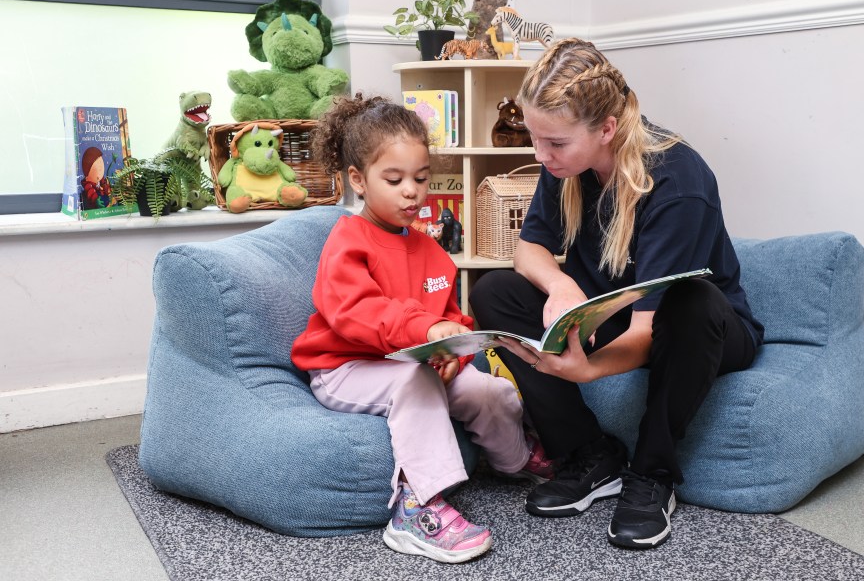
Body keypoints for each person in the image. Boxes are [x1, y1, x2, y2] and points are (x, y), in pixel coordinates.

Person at [469, 39, 764, 550]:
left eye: (554, 143)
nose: (542, 156)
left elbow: (648, 325)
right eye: (537, 140)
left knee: (691, 301)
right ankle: (590, 455)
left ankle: (652, 475)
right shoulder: (566, 166)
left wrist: (587, 369)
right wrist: (560, 283)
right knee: (495, 291)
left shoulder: (677, 180)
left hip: (701, 327)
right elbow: (529, 250)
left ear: (605, 129)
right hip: (614, 310)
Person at [291, 94, 552, 564]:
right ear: (358, 181)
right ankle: (417, 507)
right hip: (346, 367)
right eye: (394, 180)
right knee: (415, 380)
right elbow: (357, 313)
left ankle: (515, 461)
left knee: (488, 390)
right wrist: (428, 331)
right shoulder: (347, 241)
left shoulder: (432, 251)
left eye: (421, 178)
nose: (411, 191)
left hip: (421, 365)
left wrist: (456, 351)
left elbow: (453, 317)